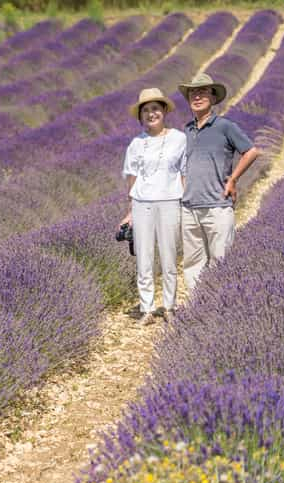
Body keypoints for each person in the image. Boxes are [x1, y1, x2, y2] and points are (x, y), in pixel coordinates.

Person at [178, 72, 259, 292]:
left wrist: (233, 179)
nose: (197, 97)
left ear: (213, 98)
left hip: (217, 205)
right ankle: (197, 307)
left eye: (203, 92)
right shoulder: (186, 130)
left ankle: (218, 306)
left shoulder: (224, 126)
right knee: (192, 264)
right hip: (189, 208)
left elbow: (251, 151)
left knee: (220, 261)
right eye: (193, 93)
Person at [120, 88, 186, 325]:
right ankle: (147, 308)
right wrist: (130, 211)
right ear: (141, 116)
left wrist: (185, 201)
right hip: (142, 204)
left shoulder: (179, 138)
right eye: (146, 110)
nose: (151, 114)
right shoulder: (136, 143)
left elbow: (184, 172)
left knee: (169, 257)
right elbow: (131, 177)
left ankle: (169, 306)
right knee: (144, 259)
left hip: (170, 201)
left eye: (155, 109)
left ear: (164, 111)